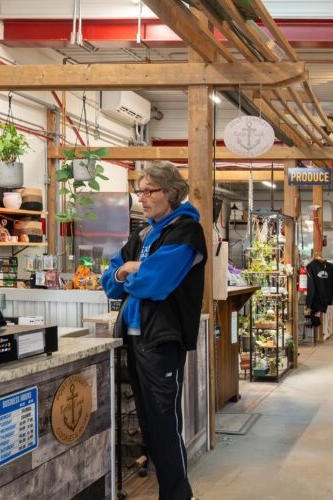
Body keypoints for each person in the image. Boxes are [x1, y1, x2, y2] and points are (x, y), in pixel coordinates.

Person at [101, 162, 207, 500]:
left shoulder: (186, 231)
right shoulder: (144, 234)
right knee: (149, 426)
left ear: (171, 193)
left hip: (161, 340)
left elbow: (155, 283)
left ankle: (177, 495)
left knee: (164, 425)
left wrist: (134, 272)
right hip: (134, 338)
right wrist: (127, 272)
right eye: (140, 191)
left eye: (150, 191)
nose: (142, 198)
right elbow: (110, 282)